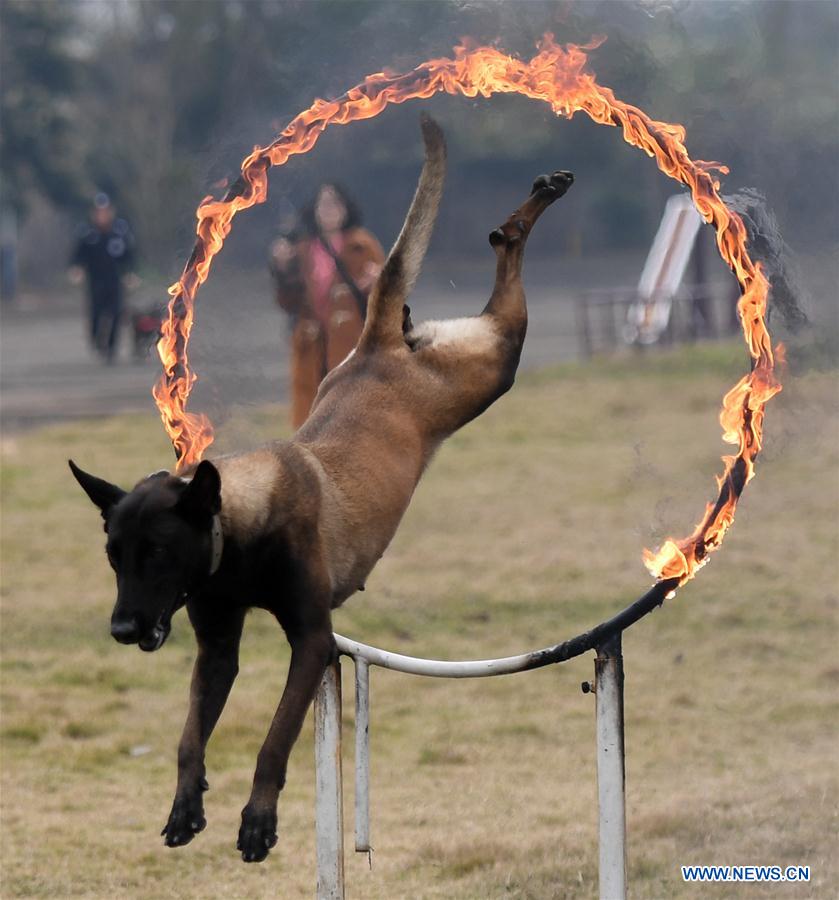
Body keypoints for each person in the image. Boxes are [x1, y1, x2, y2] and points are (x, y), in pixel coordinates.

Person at [269, 183, 384, 427]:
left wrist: (379, 284)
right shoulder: (302, 249)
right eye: (323, 204)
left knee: (351, 419)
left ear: (345, 208)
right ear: (314, 210)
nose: (328, 210)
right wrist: (282, 269)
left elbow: (387, 300)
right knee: (312, 424)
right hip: (311, 348)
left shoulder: (363, 245)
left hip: (351, 345)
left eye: (334, 203)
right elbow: (288, 303)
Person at [68, 193, 137, 363]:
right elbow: (78, 255)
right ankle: (97, 341)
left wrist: (130, 273)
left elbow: (129, 255)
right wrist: (77, 269)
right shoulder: (87, 232)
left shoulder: (120, 231)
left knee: (115, 313)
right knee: (97, 313)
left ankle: (112, 348)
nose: (102, 215)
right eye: (99, 212)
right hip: (95, 280)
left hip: (114, 280)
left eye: (105, 211)